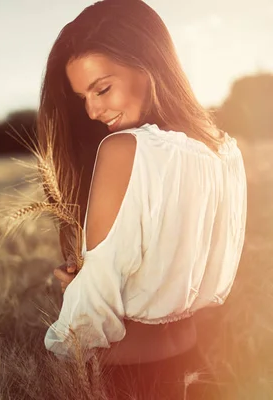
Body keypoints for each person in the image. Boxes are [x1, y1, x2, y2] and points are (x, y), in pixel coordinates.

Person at [38, 0, 248, 398]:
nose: (93, 110)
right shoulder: (225, 153)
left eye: (102, 88)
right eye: (82, 98)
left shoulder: (123, 148)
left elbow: (90, 314)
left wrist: (75, 289)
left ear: (149, 64)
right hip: (197, 372)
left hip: (128, 379)